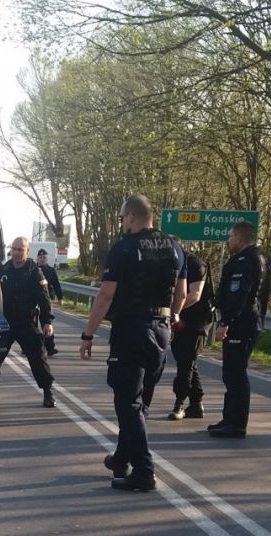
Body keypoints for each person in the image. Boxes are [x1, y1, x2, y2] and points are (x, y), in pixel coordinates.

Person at [79, 195, 187, 492]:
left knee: (128, 402)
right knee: (140, 402)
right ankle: (122, 458)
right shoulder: (175, 248)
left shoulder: (123, 248)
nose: (122, 223)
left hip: (132, 330)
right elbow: (182, 292)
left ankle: (143, 471)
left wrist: (88, 334)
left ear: (131, 217)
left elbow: (106, 295)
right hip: (161, 330)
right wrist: (171, 318)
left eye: (123, 217)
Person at [208, 220, 268, 438]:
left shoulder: (248, 260)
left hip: (242, 323)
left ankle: (237, 424)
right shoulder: (251, 258)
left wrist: (226, 322)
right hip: (245, 321)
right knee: (230, 372)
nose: (228, 240)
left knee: (236, 373)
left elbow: (239, 295)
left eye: (231, 237)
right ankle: (229, 418)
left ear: (240, 238)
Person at [0, 236, 57, 408]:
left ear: (27, 250)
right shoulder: (4, 270)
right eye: (14, 249)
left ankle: (48, 392)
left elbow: (44, 299)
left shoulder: (34, 272)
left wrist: (47, 322)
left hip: (26, 321)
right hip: (5, 322)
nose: (16, 253)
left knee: (38, 358)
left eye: (20, 250)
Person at [168, 249, 213, 420]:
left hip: (197, 320)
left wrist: (172, 311)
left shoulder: (195, 264)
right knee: (185, 360)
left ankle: (179, 402)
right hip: (180, 318)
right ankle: (196, 404)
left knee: (186, 361)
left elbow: (195, 294)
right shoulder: (172, 263)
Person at [36, 248, 63, 356]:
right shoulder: (33, 269)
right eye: (40, 258)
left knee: (47, 323)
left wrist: (60, 297)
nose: (42, 259)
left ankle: (50, 348)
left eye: (44, 258)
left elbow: (56, 284)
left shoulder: (51, 270)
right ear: (37, 259)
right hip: (34, 299)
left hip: (47, 300)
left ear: (47, 259)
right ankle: (29, 346)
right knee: (32, 324)